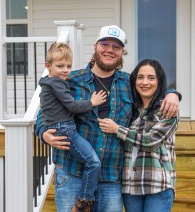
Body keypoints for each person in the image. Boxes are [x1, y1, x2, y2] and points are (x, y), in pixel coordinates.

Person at [36, 25, 180, 212]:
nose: (110, 50)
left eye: (116, 47)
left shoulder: (129, 83)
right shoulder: (71, 80)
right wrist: (43, 133)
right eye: (105, 44)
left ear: (121, 53)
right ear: (95, 47)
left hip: (111, 177)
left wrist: (172, 93)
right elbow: (44, 113)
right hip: (73, 173)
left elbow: (151, 88)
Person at [98, 59, 179, 212]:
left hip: (158, 187)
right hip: (131, 187)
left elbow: (150, 141)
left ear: (159, 81)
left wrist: (117, 129)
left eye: (151, 77)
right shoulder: (130, 108)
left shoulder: (167, 110)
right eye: (140, 77)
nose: (145, 82)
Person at [38, 43, 107, 212]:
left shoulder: (51, 83)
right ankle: (85, 200)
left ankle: (85, 197)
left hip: (62, 127)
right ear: (48, 66)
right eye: (60, 66)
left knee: (92, 162)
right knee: (93, 163)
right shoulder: (58, 83)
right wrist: (92, 102)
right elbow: (72, 106)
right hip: (66, 129)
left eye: (68, 66)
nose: (65, 70)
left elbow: (50, 109)